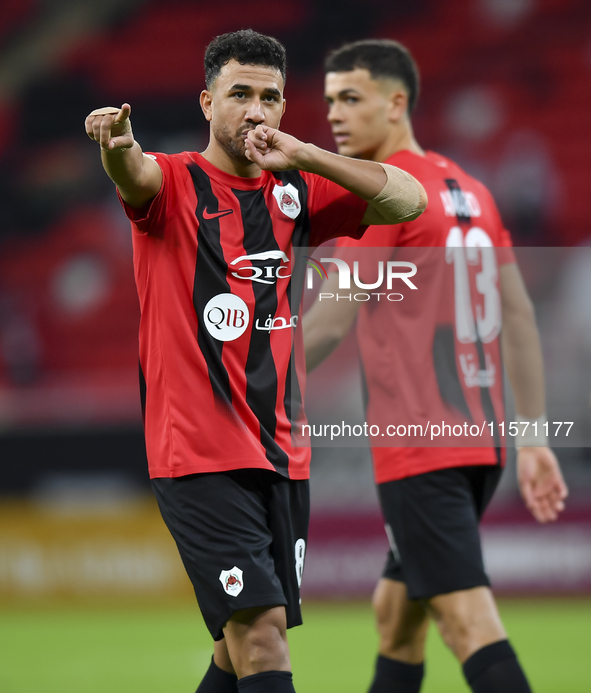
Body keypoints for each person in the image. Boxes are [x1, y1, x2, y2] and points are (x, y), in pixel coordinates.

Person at [85, 30, 426, 693]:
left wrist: (304, 154)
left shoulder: (293, 192)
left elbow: (406, 199)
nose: (257, 111)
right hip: (198, 454)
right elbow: (135, 172)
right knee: (262, 635)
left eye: (270, 97)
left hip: (281, 454)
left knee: (233, 650)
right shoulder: (177, 183)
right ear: (209, 101)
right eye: (240, 94)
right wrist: (118, 149)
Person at [303, 39, 567, 693]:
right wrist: (532, 437)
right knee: (396, 616)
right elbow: (520, 318)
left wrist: (241, 373)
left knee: (468, 624)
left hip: (421, 446)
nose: (334, 114)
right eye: (330, 99)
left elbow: (332, 320)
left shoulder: (384, 196)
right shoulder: (471, 190)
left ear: (396, 103)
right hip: (480, 444)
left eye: (351, 98)